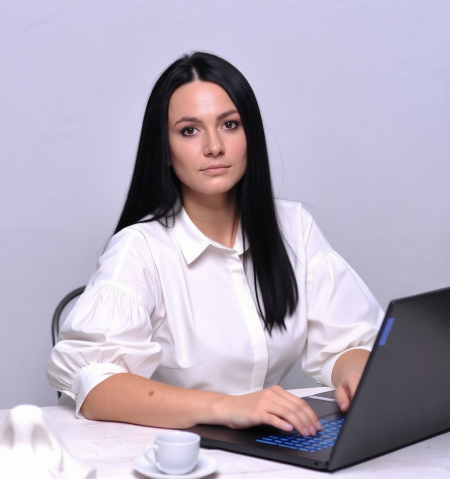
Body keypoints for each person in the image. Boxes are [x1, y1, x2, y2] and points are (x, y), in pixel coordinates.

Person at [47, 52, 383, 437]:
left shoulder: (295, 227)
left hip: (268, 442)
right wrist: (227, 407)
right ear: (165, 149)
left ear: (250, 135)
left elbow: (347, 341)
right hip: (170, 450)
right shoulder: (139, 248)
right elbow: (96, 385)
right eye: (189, 130)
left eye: (229, 125)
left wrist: (355, 372)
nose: (214, 146)